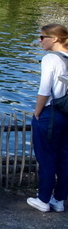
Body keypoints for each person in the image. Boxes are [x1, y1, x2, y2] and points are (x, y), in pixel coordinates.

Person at [27, 25, 68, 213]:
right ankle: (59, 200)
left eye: (43, 37)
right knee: (65, 158)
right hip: (66, 113)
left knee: (46, 157)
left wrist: (37, 112)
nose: (40, 40)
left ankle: (43, 199)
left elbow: (44, 89)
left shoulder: (51, 58)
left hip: (51, 113)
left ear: (55, 39)